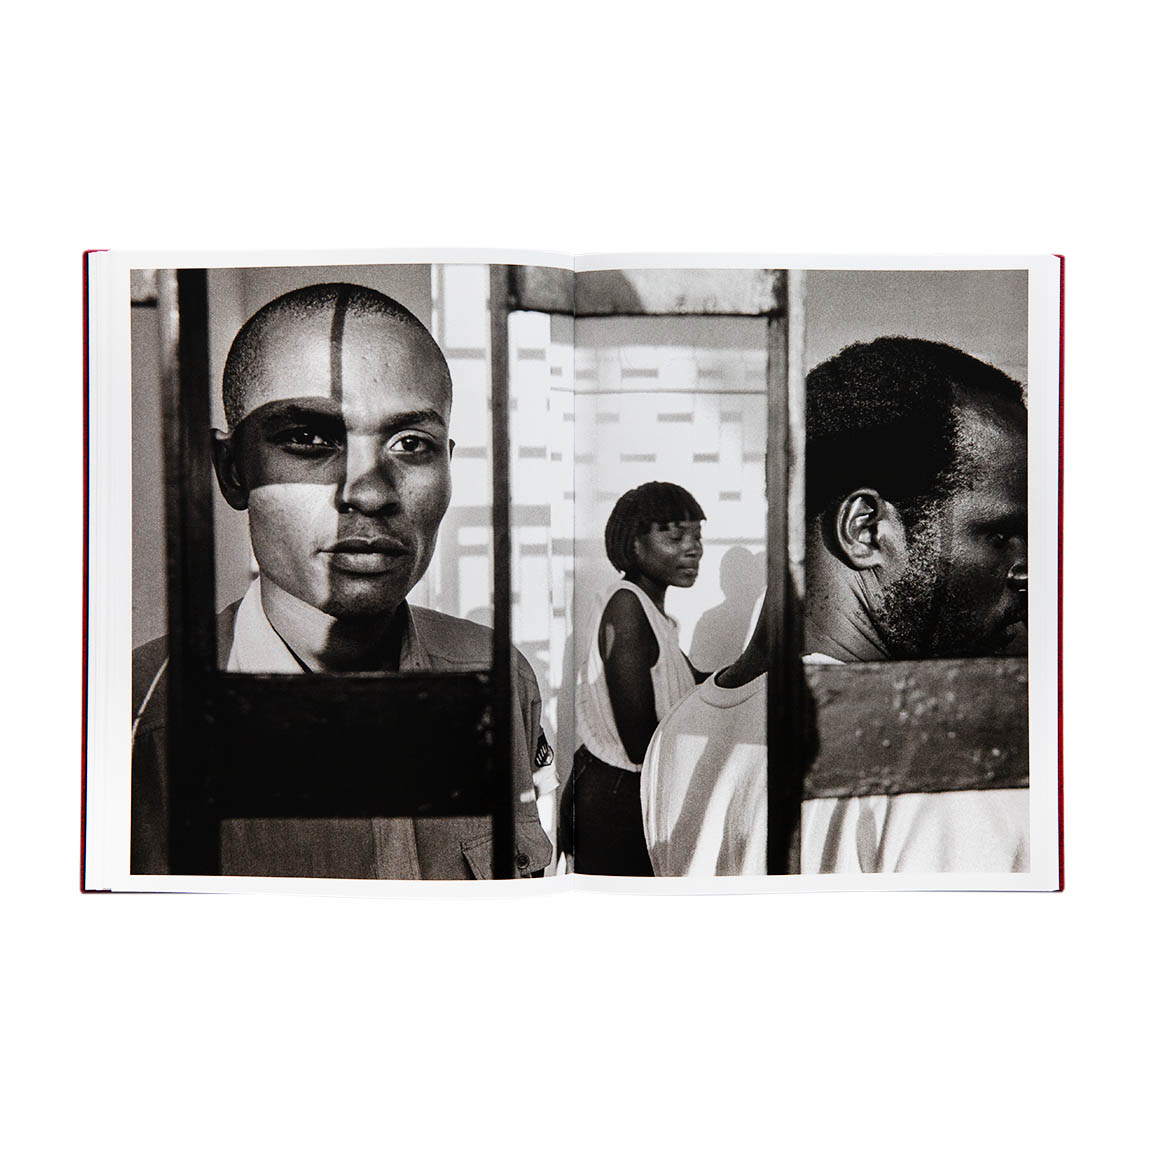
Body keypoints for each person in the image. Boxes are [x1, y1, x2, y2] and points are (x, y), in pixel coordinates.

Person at [131, 282, 556, 879]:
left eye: (411, 444)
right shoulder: (135, 728)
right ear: (232, 470)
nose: (370, 492)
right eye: (309, 439)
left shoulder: (497, 678)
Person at [642, 337, 1029, 875]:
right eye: (1003, 534)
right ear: (865, 530)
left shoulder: (679, 731)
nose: (1027, 568)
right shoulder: (948, 763)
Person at [560, 482, 708, 875]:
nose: (693, 548)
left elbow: (691, 682)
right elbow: (640, 742)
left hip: (620, 795)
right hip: (616, 801)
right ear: (634, 544)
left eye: (697, 536)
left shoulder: (650, 614)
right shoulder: (626, 607)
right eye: (675, 537)